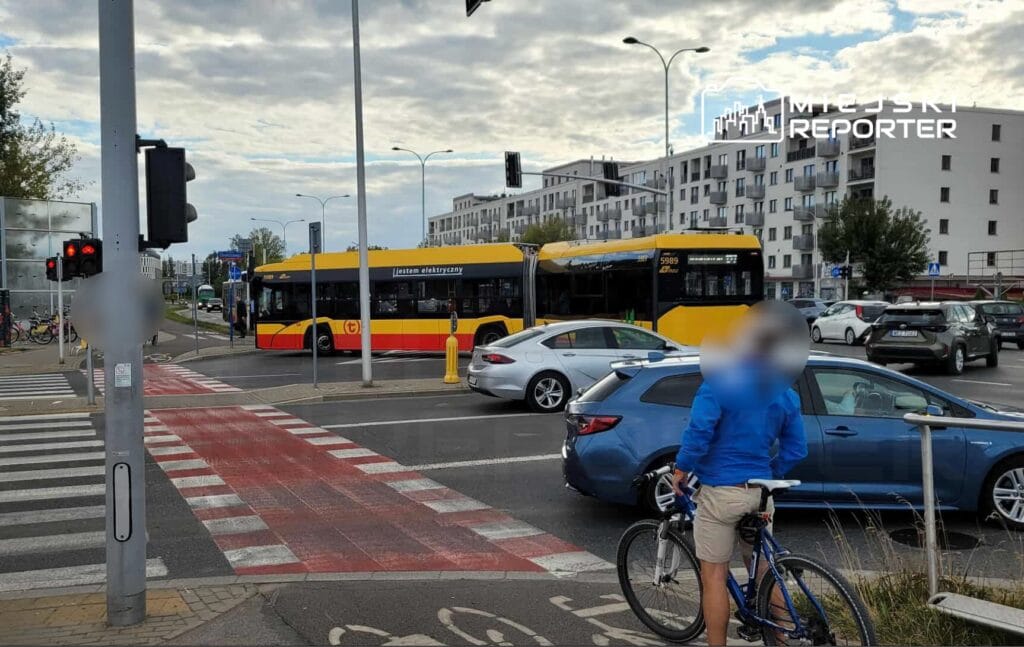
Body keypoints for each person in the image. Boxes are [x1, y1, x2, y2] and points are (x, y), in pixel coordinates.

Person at [671, 332, 808, 647]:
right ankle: (787, 636)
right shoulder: (785, 393)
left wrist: (682, 469)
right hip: (761, 492)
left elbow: (700, 430)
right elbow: (797, 450)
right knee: (763, 570)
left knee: (714, 577)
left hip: (721, 491)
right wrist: (770, 472)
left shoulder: (718, 385)